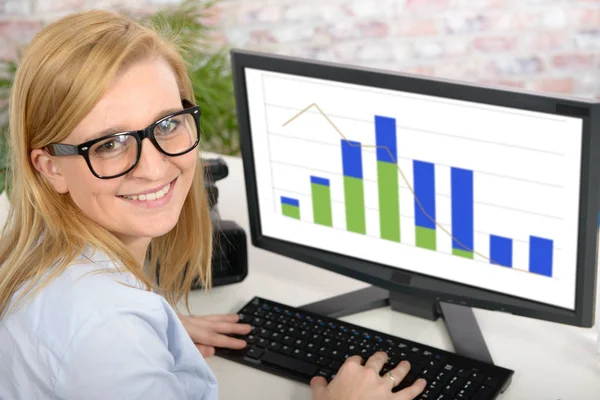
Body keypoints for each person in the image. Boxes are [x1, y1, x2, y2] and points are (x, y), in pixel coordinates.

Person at [0, 9, 426, 400]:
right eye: (109, 143)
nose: (154, 167)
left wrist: (159, 331)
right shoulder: (106, 336)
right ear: (51, 168)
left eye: (167, 124)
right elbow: (92, 340)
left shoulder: (39, 257)